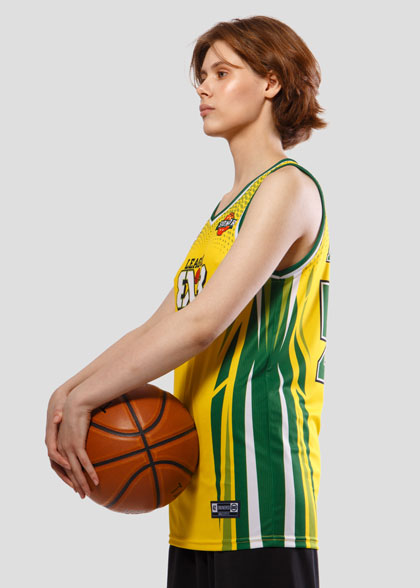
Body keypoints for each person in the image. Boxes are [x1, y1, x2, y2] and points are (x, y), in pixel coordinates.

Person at [45, 14, 330, 588]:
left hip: (258, 480)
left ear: (271, 82)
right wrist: (68, 393)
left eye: (222, 73)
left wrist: (87, 399)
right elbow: (161, 324)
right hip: (198, 478)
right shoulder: (227, 210)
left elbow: (201, 324)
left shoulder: (287, 188)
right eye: (202, 75)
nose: (203, 87)